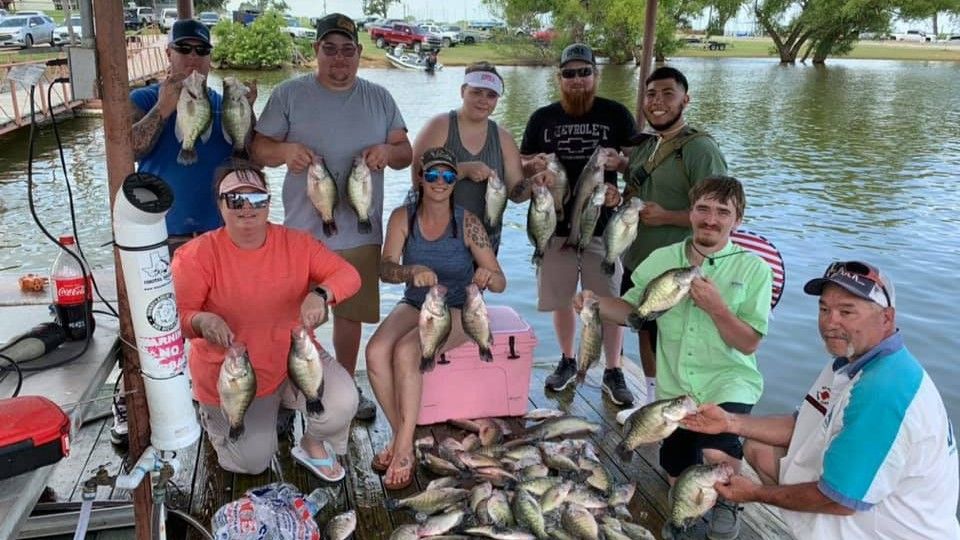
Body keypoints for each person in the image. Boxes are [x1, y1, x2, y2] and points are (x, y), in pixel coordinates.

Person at [681, 261, 960, 540]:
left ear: (886, 318)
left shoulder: (884, 391)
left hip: (892, 531)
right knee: (760, 447)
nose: (830, 322)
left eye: (846, 311)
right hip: (871, 506)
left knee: (831, 493)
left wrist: (754, 493)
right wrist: (729, 422)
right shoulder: (854, 360)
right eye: (824, 309)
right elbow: (803, 426)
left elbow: (838, 500)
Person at [575, 176, 772, 540]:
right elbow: (634, 309)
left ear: (737, 219)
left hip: (729, 379)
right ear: (692, 212)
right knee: (676, 469)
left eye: (722, 212)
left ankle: (727, 502)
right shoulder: (663, 259)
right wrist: (596, 304)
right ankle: (687, 511)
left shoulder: (755, 269)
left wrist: (718, 309)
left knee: (718, 447)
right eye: (703, 209)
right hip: (676, 384)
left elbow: (748, 344)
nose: (711, 219)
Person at [250, 13, 413, 421]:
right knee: (290, 317)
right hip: (302, 234)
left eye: (347, 50)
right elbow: (257, 150)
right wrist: (286, 153)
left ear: (359, 53)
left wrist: (386, 153)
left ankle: (344, 382)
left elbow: (405, 153)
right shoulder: (289, 94)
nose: (339, 58)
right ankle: (290, 389)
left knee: (350, 316)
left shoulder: (379, 97)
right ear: (316, 51)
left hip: (360, 231)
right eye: (330, 49)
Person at [171, 162, 362, 480]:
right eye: (234, 200)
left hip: (296, 362)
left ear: (269, 203)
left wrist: (321, 293)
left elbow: (348, 275)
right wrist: (202, 320)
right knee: (252, 462)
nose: (247, 208)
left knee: (343, 401)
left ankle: (311, 441)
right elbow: (176, 319)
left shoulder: (297, 243)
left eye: (257, 199)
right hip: (234, 375)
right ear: (220, 205)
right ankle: (216, 418)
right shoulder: (195, 255)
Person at [123, 18, 256, 447]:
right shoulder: (143, 98)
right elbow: (126, 149)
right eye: (185, 49)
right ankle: (131, 404)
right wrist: (163, 109)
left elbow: (244, 161)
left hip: (215, 241)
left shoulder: (220, 104)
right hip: (160, 237)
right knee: (151, 328)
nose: (194, 58)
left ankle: (213, 401)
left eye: (202, 51)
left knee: (215, 327)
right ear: (169, 54)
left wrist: (246, 116)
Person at [365, 147, 506, 491]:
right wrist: (409, 270)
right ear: (421, 178)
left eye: (447, 175)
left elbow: (500, 280)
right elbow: (385, 269)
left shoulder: (468, 222)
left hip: (458, 309)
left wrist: (487, 278)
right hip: (415, 303)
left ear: (455, 179)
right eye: (432, 175)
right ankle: (404, 433)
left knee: (407, 351)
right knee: (375, 351)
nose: (440, 182)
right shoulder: (403, 217)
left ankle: (402, 449)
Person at [520, 43, 638, 407]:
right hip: (552, 226)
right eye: (569, 73)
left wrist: (621, 165)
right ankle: (568, 359)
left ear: (595, 75)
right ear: (559, 78)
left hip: (602, 225)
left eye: (583, 72)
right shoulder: (542, 118)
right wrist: (533, 166)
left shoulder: (616, 113)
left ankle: (613, 369)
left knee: (610, 298)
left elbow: (638, 161)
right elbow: (523, 159)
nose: (577, 80)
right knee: (560, 299)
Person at [619, 66, 727, 405]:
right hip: (638, 262)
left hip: (678, 268)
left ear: (686, 99)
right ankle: (653, 397)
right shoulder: (647, 144)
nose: (658, 102)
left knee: (678, 337)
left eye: (668, 94)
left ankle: (684, 402)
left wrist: (667, 216)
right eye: (651, 95)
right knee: (646, 330)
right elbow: (637, 186)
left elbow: (719, 214)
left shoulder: (700, 149)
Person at [411, 61, 526, 251]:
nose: (483, 100)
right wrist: (463, 169)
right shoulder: (439, 126)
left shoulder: (504, 139)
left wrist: (540, 184)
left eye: (491, 95)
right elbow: (418, 181)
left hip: (485, 244)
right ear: (463, 91)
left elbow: (517, 194)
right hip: (436, 239)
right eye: (476, 92)